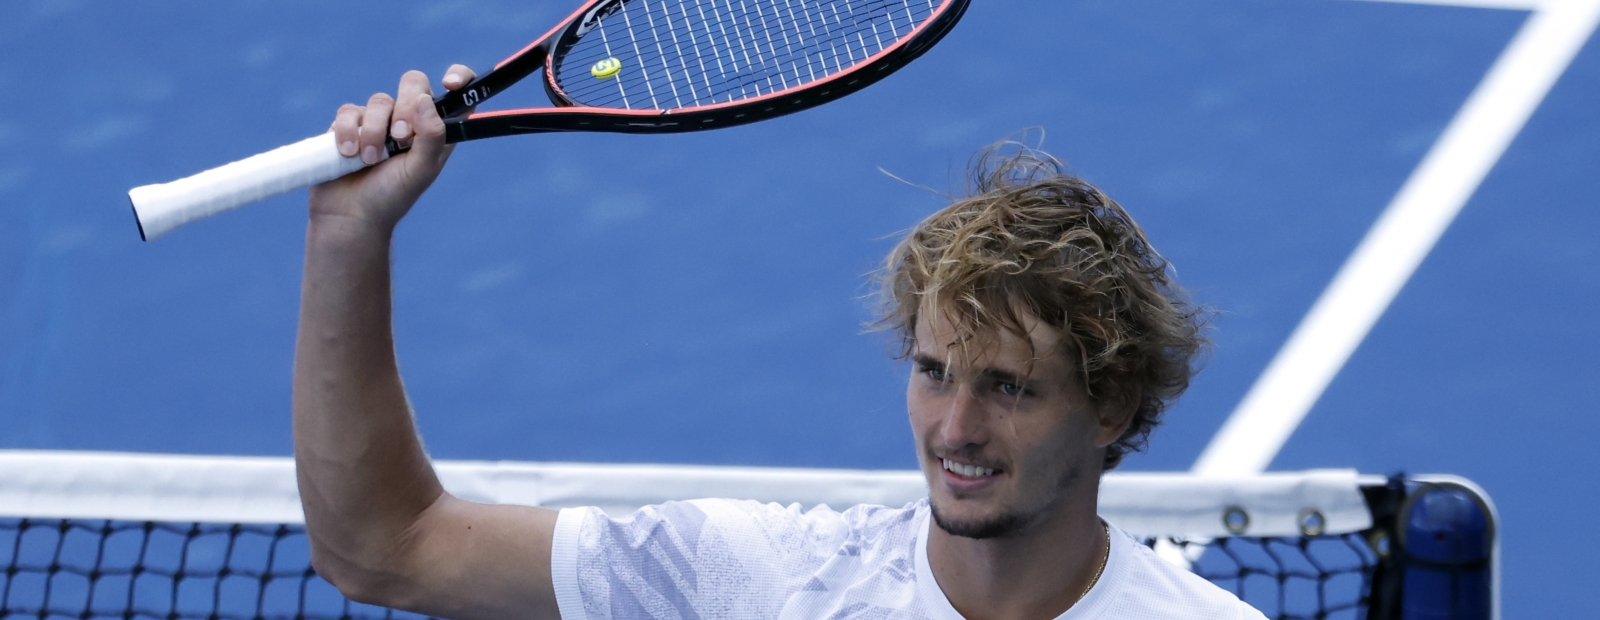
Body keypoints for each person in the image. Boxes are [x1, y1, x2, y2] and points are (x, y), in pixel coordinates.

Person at [292, 66, 1267, 620]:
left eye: (1010, 387)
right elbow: (387, 544)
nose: (955, 426)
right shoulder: (764, 580)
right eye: (933, 371)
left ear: (1113, 407)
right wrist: (348, 239)